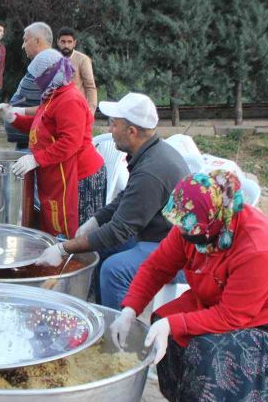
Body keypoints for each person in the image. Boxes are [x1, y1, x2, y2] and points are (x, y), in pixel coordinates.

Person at [111, 170, 268, 402]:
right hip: (226, 297)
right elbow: (157, 267)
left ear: (213, 222)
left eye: (188, 229)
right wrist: (129, 310)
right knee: (162, 320)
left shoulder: (259, 250)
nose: (181, 232)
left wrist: (174, 324)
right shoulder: (194, 222)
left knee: (208, 350)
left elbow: (232, 316)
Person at [35, 92, 190, 309]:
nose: (109, 130)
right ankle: (101, 310)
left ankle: (117, 333)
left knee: (114, 270)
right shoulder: (152, 153)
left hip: (178, 253)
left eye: (114, 125)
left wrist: (64, 249)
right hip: (157, 238)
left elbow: (119, 231)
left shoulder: (151, 171)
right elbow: (126, 197)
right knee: (96, 250)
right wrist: (96, 220)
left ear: (132, 132)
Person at [0, 49, 105, 239]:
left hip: (80, 176)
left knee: (76, 236)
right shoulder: (54, 95)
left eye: (38, 77)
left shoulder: (69, 100)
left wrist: (37, 159)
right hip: (61, 171)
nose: (35, 82)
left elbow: (70, 142)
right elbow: (41, 125)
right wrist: (12, 117)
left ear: (50, 74)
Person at [6, 22, 53, 149]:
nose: (23, 46)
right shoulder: (37, 67)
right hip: (26, 142)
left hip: (38, 145)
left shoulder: (51, 68)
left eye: (25, 41)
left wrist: (20, 111)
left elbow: (53, 108)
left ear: (37, 41)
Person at [56, 27, 97, 114]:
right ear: (58, 42)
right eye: (63, 42)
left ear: (74, 43)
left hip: (77, 109)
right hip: (57, 109)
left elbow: (90, 87)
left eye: (69, 42)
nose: (66, 45)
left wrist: (90, 112)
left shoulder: (82, 60)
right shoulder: (53, 59)